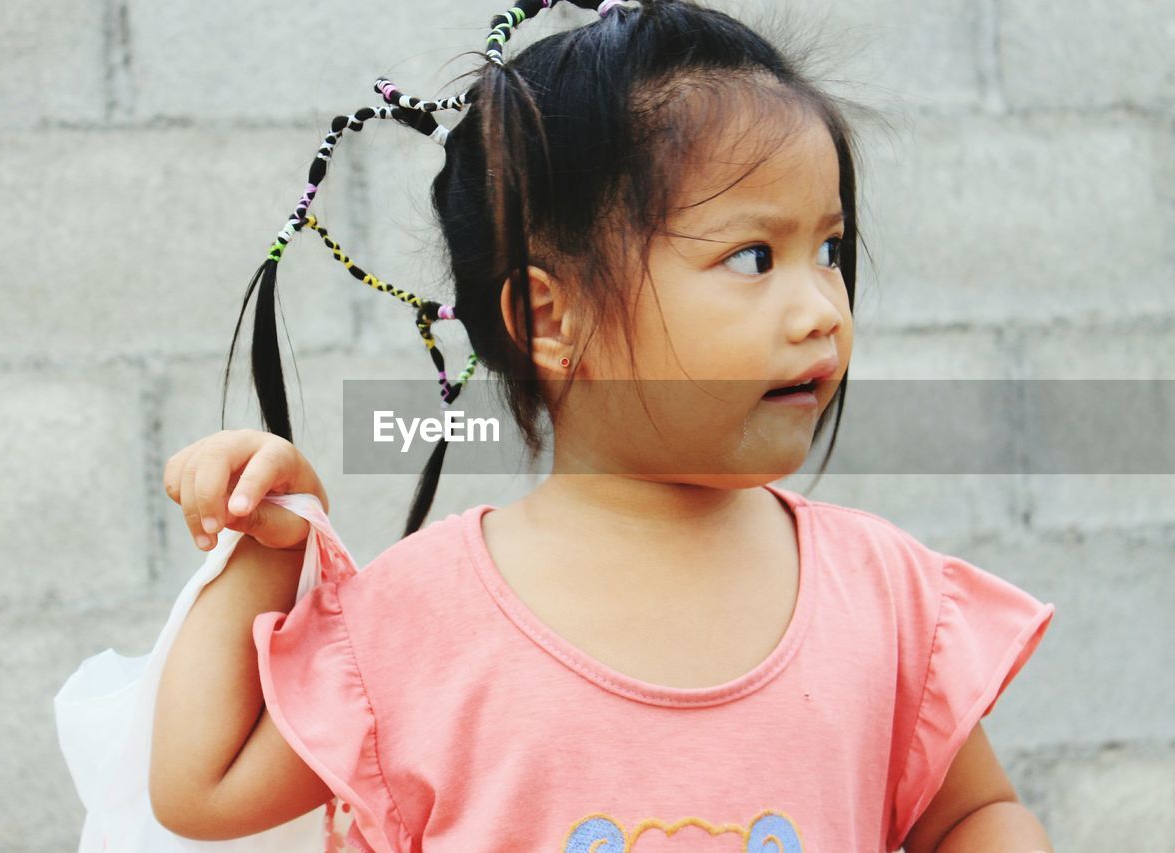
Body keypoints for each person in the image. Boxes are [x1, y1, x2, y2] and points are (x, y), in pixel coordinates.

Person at [150, 1, 1057, 850]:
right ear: (548, 319)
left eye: (827, 250)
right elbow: (204, 787)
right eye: (753, 256)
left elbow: (973, 812)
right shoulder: (417, 620)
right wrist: (271, 546)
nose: (822, 306)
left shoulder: (882, 592)